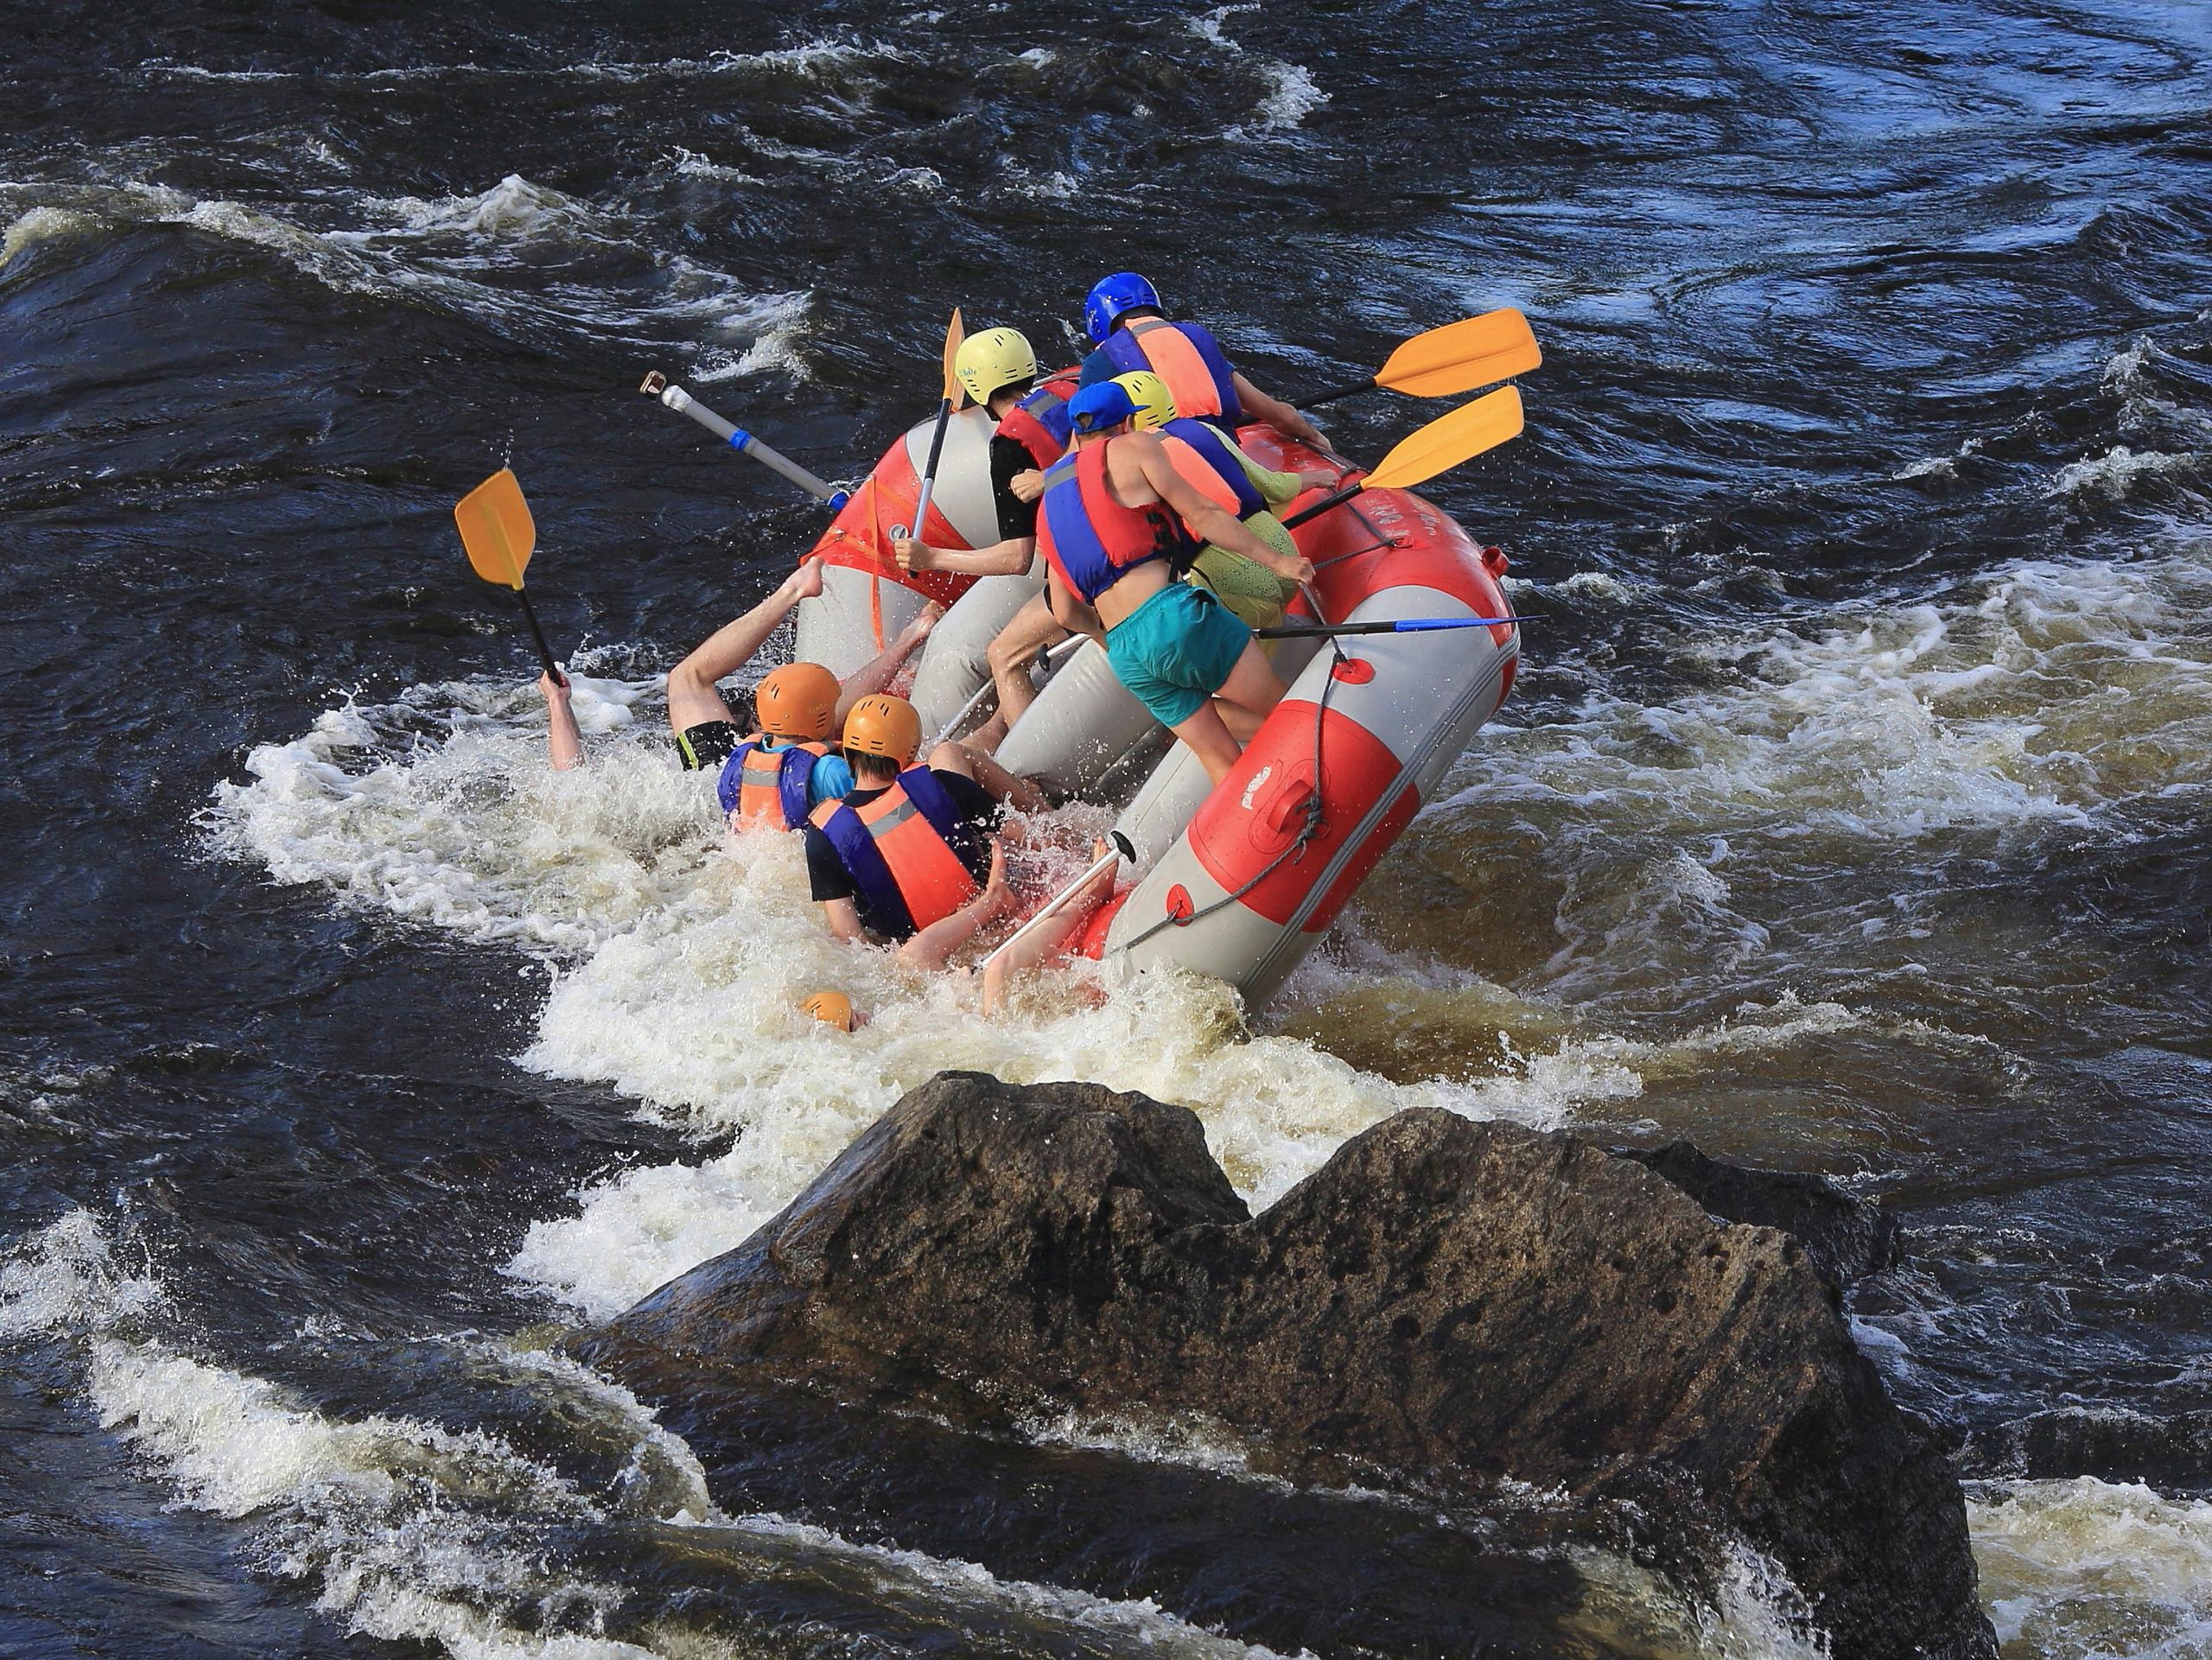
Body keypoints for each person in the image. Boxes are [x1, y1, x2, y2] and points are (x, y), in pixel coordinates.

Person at [1038, 381, 1314, 785]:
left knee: (1221, 763)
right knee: (1288, 715)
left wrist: (1111, 639)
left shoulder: (1049, 502)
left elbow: (1064, 612)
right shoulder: (1135, 447)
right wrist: (1279, 562)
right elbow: (1203, 513)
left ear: (1077, 437)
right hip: (1173, 619)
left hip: (1127, 656)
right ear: (1127, 423)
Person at [892, 326, 1077, 749]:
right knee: (1031, 640)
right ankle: (1003, 726)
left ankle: (1029, 764)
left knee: (1003, 655)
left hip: (1083, 573)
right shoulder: (1066, 394)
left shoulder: (1009, 445)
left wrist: (931, 558)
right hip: (1125, 543)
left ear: (978, 388)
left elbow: (1016, 558)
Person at [663, 554, 938, 823]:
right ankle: (907, 641)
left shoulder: (733, 764)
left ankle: (792, 590)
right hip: (798, 821)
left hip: (719, 814)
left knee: (687, 676)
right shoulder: (832, 772)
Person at [805, 694, 1044, 968]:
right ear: (910, 753)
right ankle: (1037, 796)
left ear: (848, 754)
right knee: (951, 753)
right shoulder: (943, 785)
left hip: (925, 954)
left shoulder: (821, 835)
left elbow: (850, 939)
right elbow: (1031, 836)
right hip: (995, 922)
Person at [1112, 369, 1336, 629]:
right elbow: (1272, 486)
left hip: (1227, 572)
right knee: (1272, 624)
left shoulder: (1134, 466)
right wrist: (1316, 478)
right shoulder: (1204, 429)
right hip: (1281, 546)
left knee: (1246, 645)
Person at [1075, 272, 1325, 448]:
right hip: (1226, 460)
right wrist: (1316, 438)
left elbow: (1086, 448)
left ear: (1097, 322)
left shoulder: (1099, 363)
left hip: (1160, 474)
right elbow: (1281, 416)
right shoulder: (1196, 340)